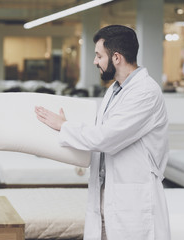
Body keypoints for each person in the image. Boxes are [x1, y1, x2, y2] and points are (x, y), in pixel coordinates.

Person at [35, 25, 170, 240]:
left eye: (99, 55)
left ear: (116, 57)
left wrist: (64, 126)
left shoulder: (145, 92)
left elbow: (106, 138)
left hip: (132, 200)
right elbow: (100, 135)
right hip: (106, 196)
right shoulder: (115, 90)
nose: (94, 61)